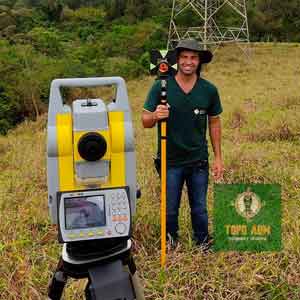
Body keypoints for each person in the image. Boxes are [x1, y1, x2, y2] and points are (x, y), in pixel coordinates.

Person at [142, 39, 224, 249]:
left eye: (193, 57)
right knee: (169, 209)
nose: (189, 61)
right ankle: (170, 244)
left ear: (199, 61)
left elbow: (214, 122)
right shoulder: (161, 86)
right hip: (170, 161)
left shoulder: (209, 90)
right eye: (184, 57)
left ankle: (203, 244)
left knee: (199, 208)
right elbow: (145, 120)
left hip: (198, 161)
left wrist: (218, 158)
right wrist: (156, 116)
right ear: (177, 60)